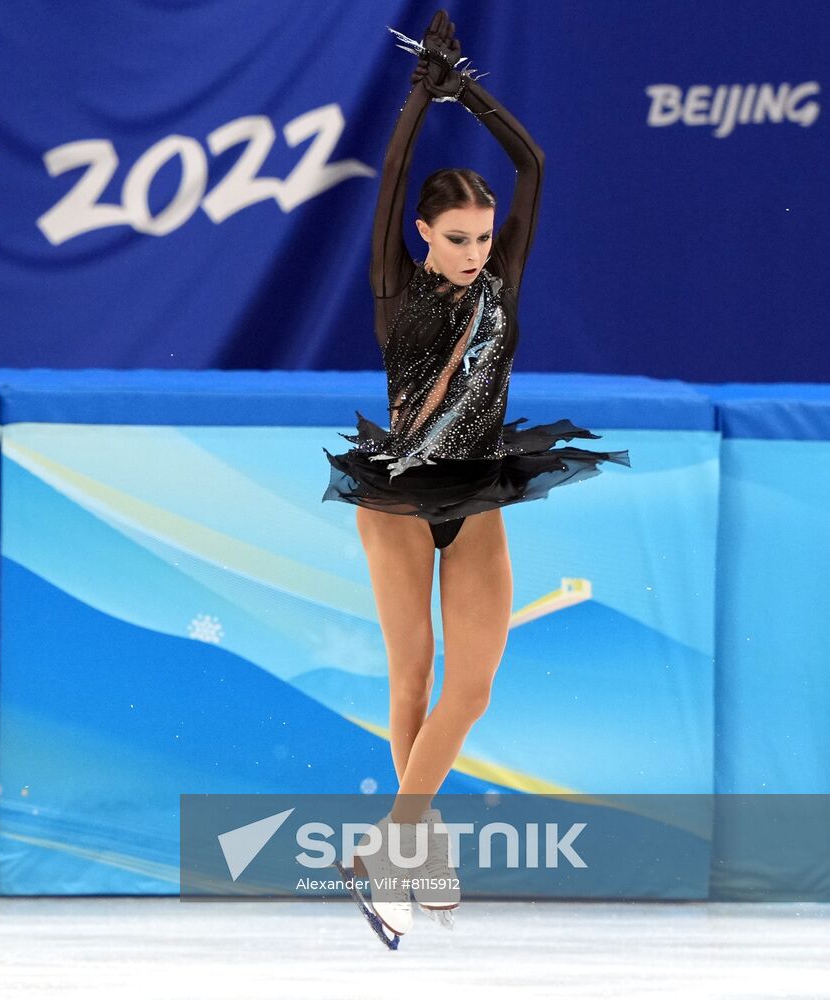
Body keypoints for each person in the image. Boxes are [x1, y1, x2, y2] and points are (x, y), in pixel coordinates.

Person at [322, 11, 630, 943]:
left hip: (481, 491)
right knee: (413, 674)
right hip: (402, 498)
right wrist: (419, 99)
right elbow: (384, 182)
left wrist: (470, 94)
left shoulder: (505, 279)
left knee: (476, 684)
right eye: (457, 237)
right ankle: (415, 853)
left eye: (484, 238)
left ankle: (393, 845)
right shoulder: (393, 286)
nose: (475, 252)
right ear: (423, 235)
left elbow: (532, 164)